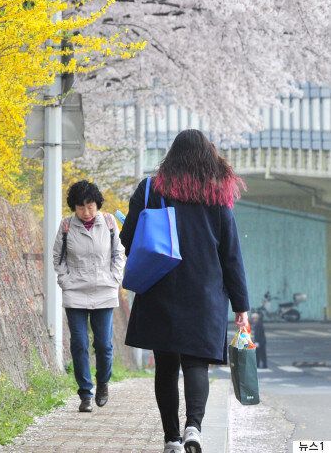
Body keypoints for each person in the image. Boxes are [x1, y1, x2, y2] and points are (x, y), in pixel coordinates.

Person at [120, 129, 250, 453]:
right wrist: (241, 306)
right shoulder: (217, 196)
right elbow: (230, 254)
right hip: (204, 293)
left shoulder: (150, 189)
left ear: (172, 155)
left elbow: (127, 239)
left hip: (160, 288)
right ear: (208, 156)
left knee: (166, 366)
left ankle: (172, 440)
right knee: (196, 365)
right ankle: (194, 427)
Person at [53, 179, 125, 413]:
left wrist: (114, 279)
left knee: (103, 344)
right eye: (81, 207)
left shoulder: (109, 223)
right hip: (75, 292)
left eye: (90, 205)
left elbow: (119, 254)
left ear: (97, 204)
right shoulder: (66, 226)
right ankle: (85, 393)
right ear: (74, 207)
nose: (86, 211)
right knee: (80, 344)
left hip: (104, 291)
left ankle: (103, 382)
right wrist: (65, 280)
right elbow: (58, 258)